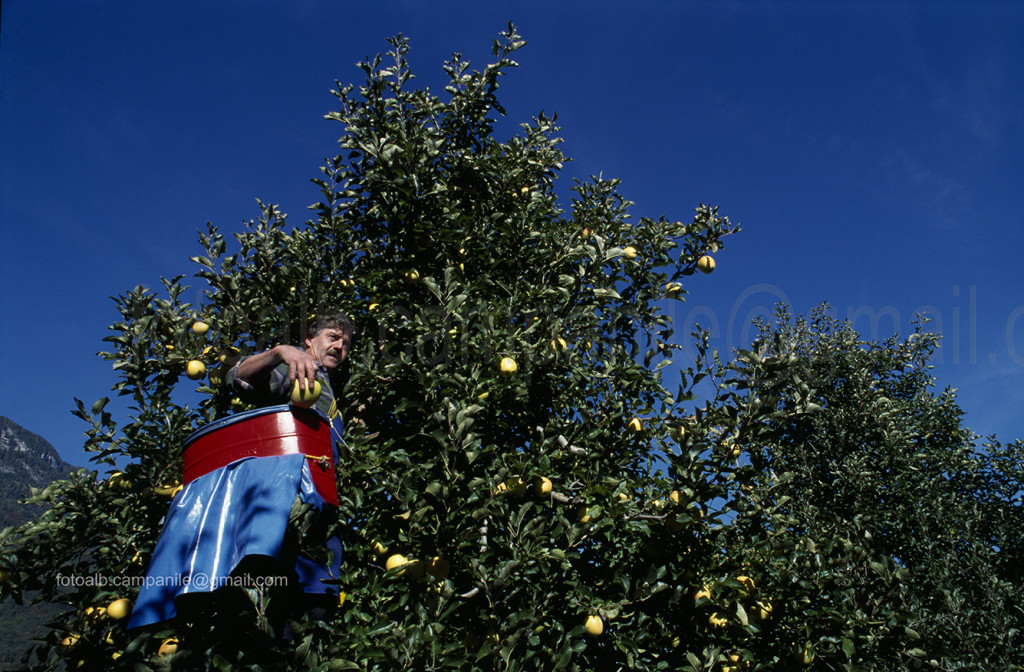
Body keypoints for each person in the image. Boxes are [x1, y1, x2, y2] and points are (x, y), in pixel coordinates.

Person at [128, 312, 355, 630]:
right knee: (282, 610)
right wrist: (281, 352)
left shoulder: (329, 392)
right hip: (291, 500)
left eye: (345, 343)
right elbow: (240, 377)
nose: (340, 346)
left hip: (322, 507)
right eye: (332, 337)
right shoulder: (299, 369)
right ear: (309, 341)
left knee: (318, 608)